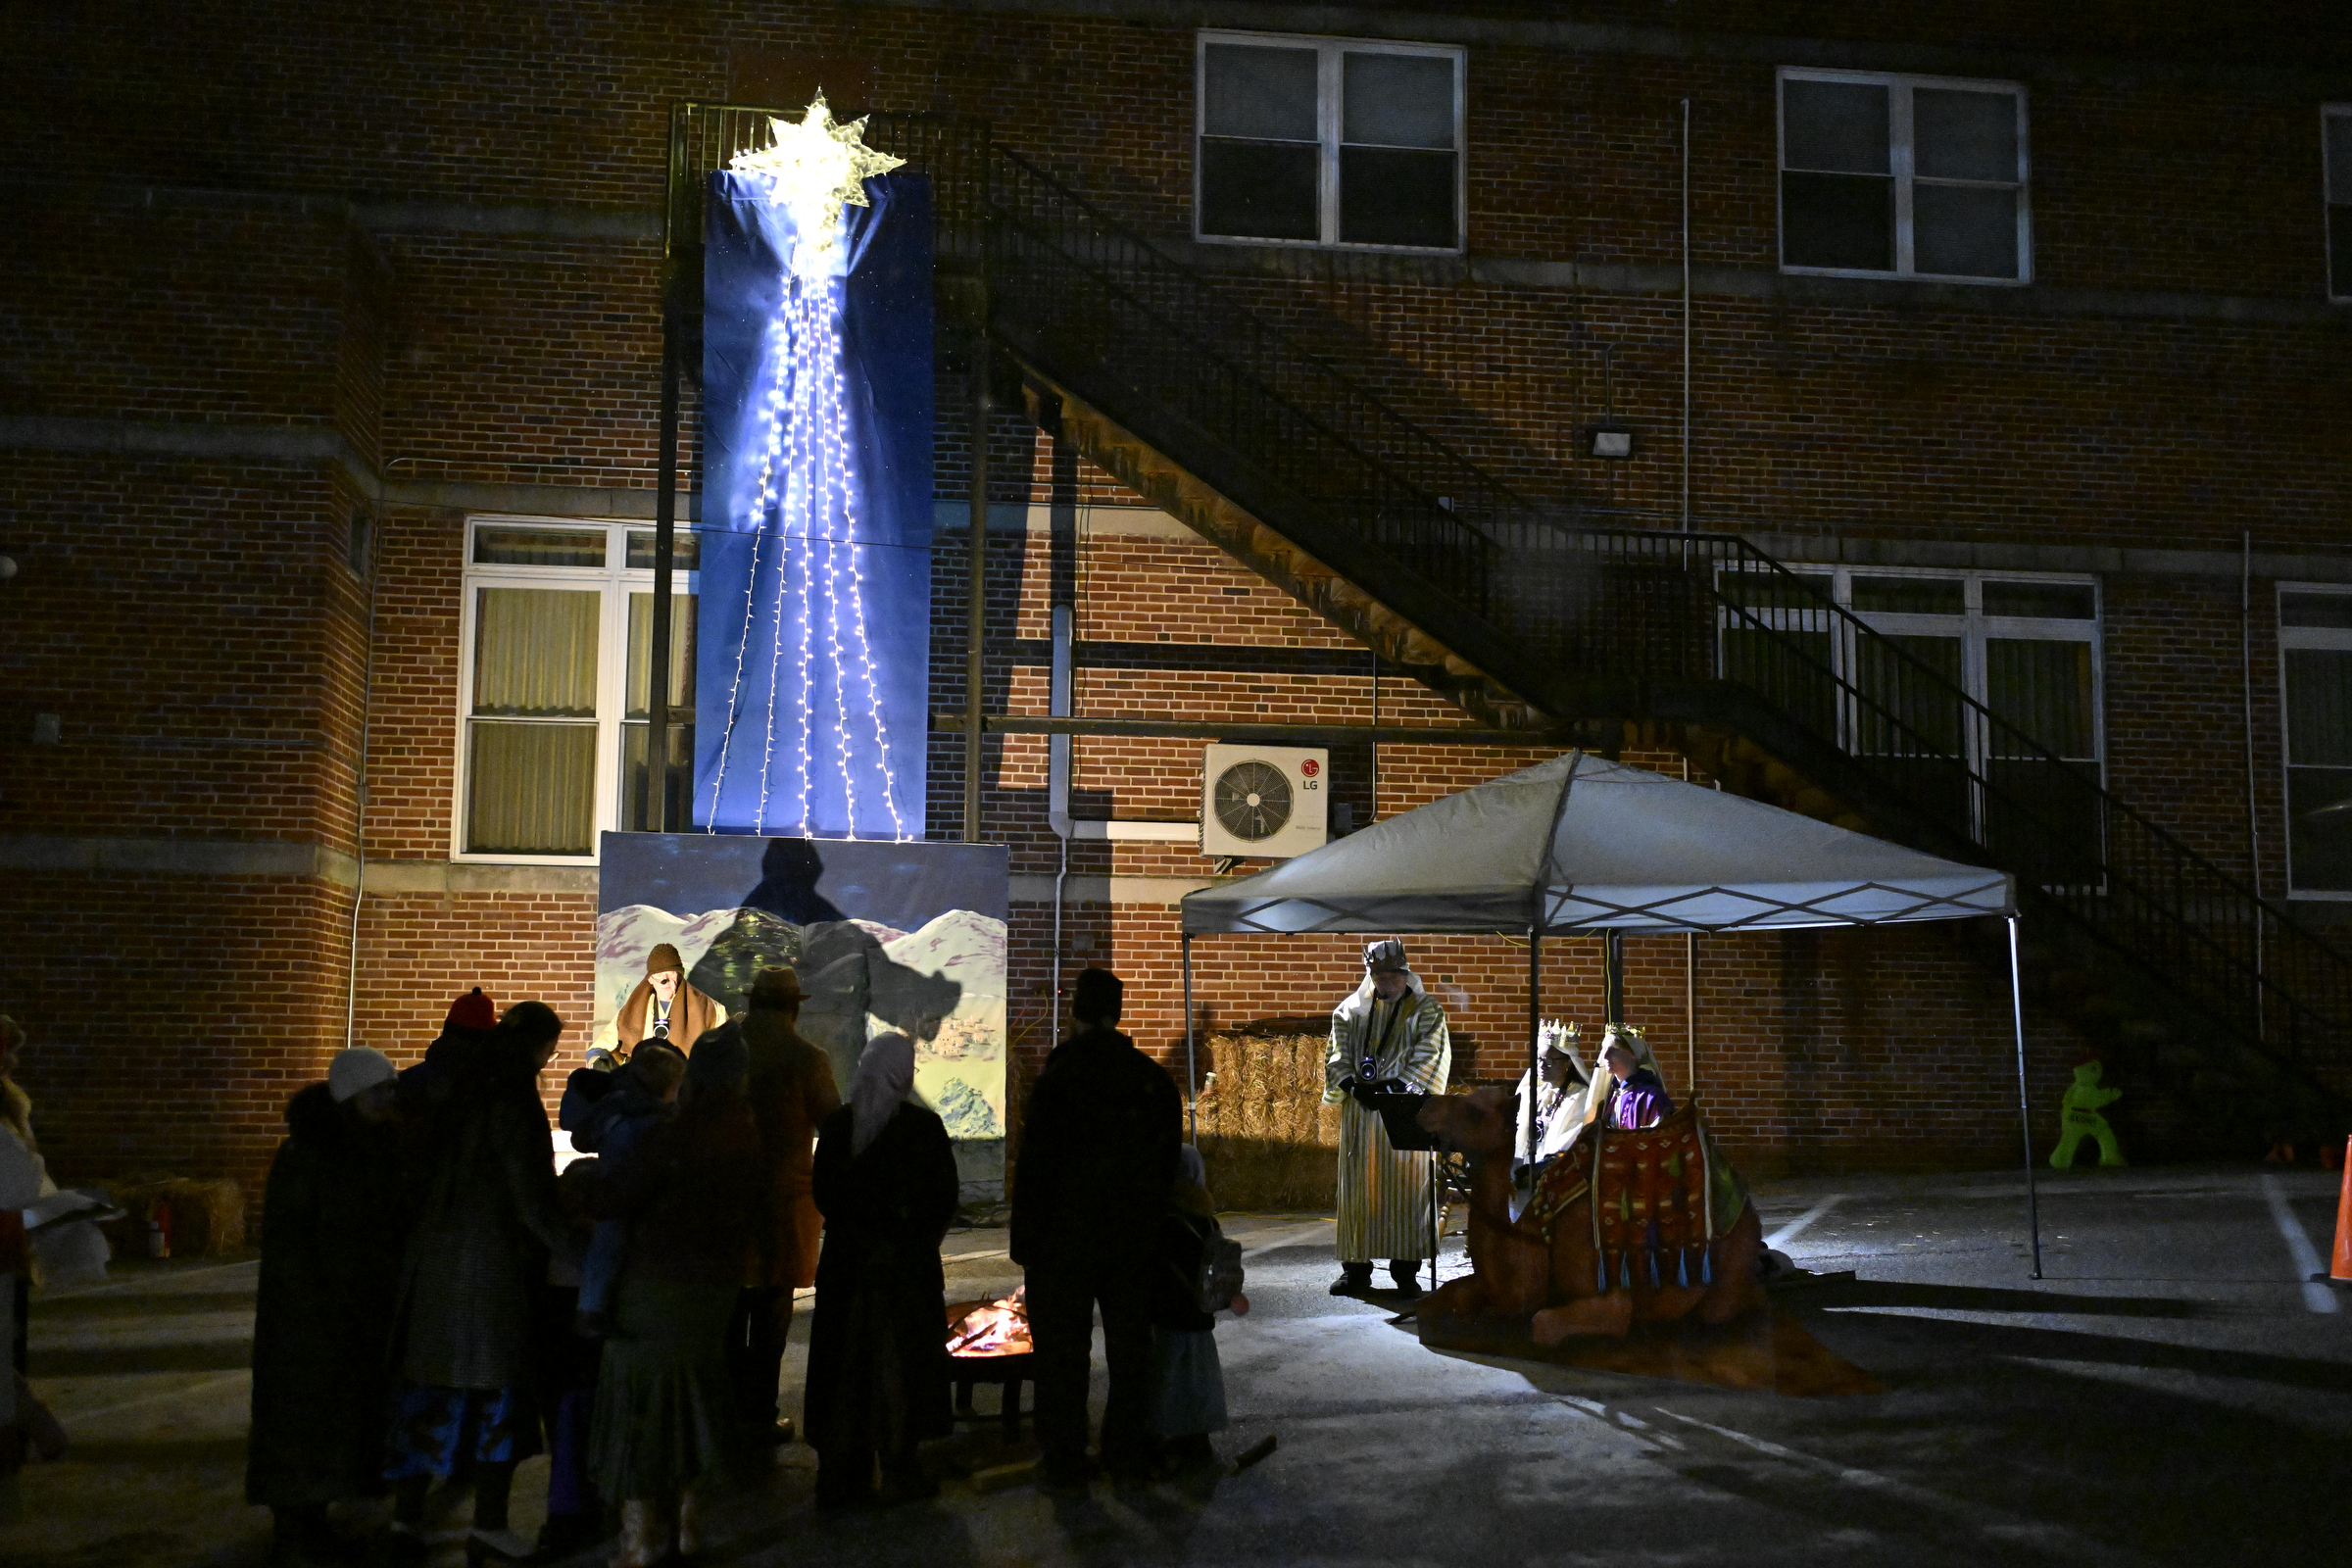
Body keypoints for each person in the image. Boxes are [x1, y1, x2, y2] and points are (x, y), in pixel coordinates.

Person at [383, 1001, 578, 1565]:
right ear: (538, 1048)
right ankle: (489, 1524)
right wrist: (581, 1254)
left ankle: (406, 1518)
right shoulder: (510, 1096)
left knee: (426, 1390)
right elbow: (531, 1197)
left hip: (429, 1260)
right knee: (499, 1397)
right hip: (488, 1265)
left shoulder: (435, 1085)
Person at [585, 1030, 764, 1566]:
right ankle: (687, 1530)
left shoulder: (677, 1133)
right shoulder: (745, 1132)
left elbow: (620, 1196)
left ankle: (638, 1542)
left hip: (657, 1288)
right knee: (692, 1407)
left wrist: (584, 1187)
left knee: (641, 1411)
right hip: (716, 1292)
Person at [1012, 967, 1183, 1488]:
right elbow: (1166, 1168)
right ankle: (1125, 1450)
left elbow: (1034, 1168)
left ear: (1075, 1014)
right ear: (1120, 1013)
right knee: (1131, 1349)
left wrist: (1026, 1245)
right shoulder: (1152, 1082)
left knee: (1062, 1354)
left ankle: (1064, 1456)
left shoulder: (1056, 1081)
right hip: (1131, 1239)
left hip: (1063, 1241)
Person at [246, 1048, 407, 1563]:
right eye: (380, 1090)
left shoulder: (362, 1146)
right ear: (353, 1096)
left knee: (333, 1416)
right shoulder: (313, 1156)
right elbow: (304, 1241)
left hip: (346, 1308)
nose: (390, 1099)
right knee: (303, 1417)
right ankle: (297, 1522)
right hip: (311, 1315)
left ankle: (314, 1513)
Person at [803, 1033, 958, 1508]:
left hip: (847, 1269)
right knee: (898, 1367)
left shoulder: (837, 1128)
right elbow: (942, 1200)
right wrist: (910, 1236)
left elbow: (824, 1194)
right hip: (904, 1272)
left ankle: (841, 1474)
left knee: (845, 1366)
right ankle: (899, 1466)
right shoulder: (922, 1128)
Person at [729, 966, 842, 1444]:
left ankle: (725, 1414)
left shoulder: (718, 1049)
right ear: (794, 1007)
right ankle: (759, 1414)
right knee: (772, 1313)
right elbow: (834, 1124)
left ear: (753, 1003)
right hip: (780, 1205)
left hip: (724, 1200)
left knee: (728, 1311)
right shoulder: (805, 1058)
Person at [1324, 939, 1451, 1298]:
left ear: (1405, 973)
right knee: (1358, 1189)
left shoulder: (1426, 1010)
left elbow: (1431, 1052)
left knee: (1408, 1191)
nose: (1387, 982)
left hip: (1405, 1112)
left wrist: (1399, 1084)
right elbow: (1337, 1054)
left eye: (1394, 974)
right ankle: (1356, 1270)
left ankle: (1406, 1271)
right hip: (1362, 1116)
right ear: (1371, 974)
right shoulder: (1350, 1011)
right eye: (1379, 975)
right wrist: (1351, 1084)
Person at [560, 1039, 687, 1335]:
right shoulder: (642, 1121)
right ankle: (592, 1311)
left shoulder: (618, 1109)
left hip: (614, 1193)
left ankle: (592, 1307)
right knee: (611, 1241)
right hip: (621, 1198)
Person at [1150, 1146, 1243, 1472]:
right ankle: (1197, 1438)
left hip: (1170, 1315)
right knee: (1199, 1378)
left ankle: (1167, 1438)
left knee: (1169, 1378)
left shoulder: (1164, 1220)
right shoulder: (1207, 1220)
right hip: (1200, 1316)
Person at [612, 944, 724, 1056]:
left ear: (680, 976)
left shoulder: (711, 1010)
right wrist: (599, 1058)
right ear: (650, 979)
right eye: (659, 975)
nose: (665, 980)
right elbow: (602, 1046)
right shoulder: (629, 1012)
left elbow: (726, 1051)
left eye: (670, 974)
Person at [1512, 1021, 1587, 1172]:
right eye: (1539, 1059)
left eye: (1549, 1060)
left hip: (1555, 1172)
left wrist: (1541, 1167)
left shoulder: (1580, 1097)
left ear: (1568, 1063)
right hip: (1522, 1169)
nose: (1542, 1065)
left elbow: (1570, 1141)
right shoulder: (1531, 1094)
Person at [1589, 1025, 1673, 1130]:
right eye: (1604, 1049)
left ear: (1634, 1054)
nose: (1605, 1056)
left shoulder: (1651, 1097)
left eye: (1614, 1049)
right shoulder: (1609, 1097)